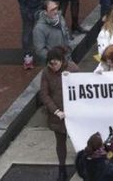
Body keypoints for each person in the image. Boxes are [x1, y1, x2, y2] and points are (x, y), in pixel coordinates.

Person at [38, 48, 76, 181]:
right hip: (57, 115)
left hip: (73, 114)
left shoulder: (72, 69)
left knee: (77, 138)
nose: (53, 67)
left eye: (55, 64)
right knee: (60, 142)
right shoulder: (46, 73)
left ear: (61, 61)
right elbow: (44, 94)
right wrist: (56, 111)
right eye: (50, 64)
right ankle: (62, 168)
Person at [32, 0, 73, 65]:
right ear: (45, 12)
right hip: (53, 64)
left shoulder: (60, 18)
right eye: (52, 10)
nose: (56, 11)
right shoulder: (39, 29)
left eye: (56, 8)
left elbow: (66, 33)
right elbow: (40, 50)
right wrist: (54, 59)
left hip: (66, 58)